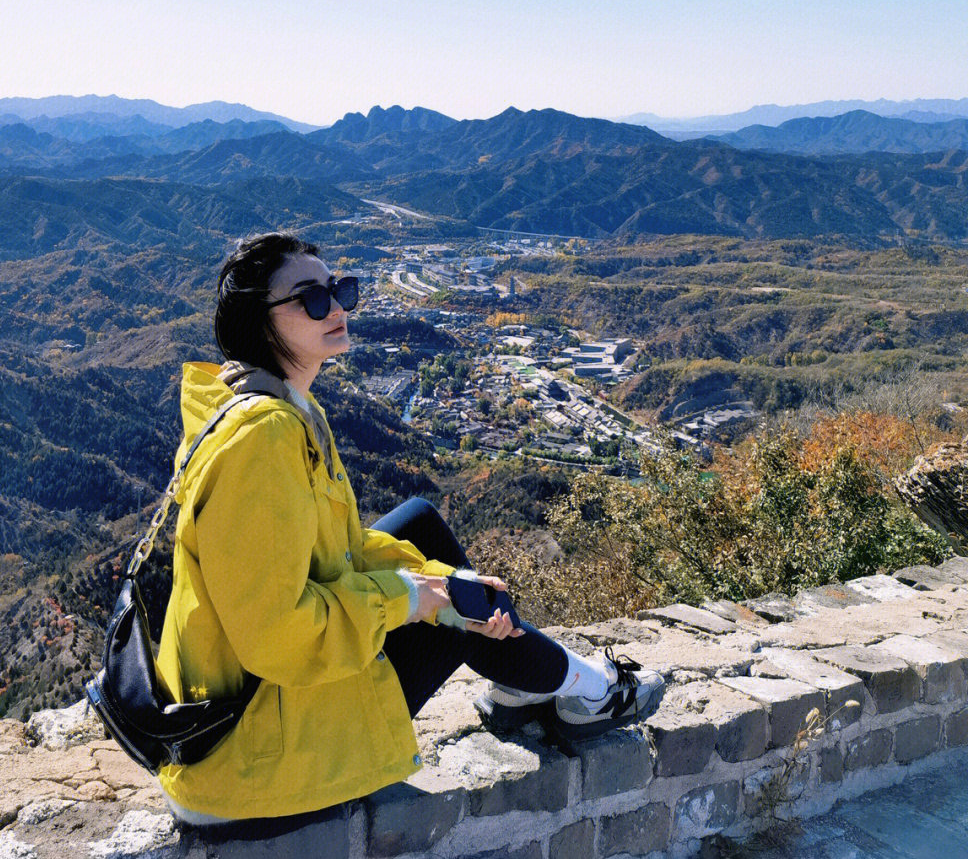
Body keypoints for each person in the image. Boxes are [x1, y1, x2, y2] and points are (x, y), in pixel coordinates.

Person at [155, 233, 664, 834]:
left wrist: (446, 581)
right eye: (311, 300)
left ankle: (541, 682)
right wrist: (415, 598)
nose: (336, 307)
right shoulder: (263, 441)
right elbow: (278, 636)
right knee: (447, 616)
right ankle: (587, 690)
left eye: (340, 290)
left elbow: (341, 549)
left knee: (425, 534)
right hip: (250, 768)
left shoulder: (266, 403)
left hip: (248, 722)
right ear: (257, 322)